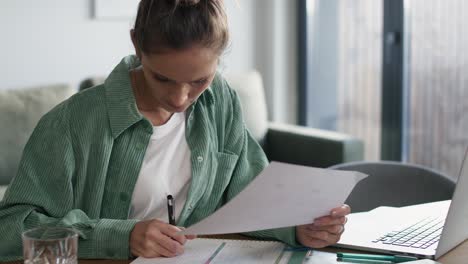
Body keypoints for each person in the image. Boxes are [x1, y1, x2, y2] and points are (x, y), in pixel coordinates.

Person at [0, 0, 350, 260]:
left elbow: (249, 197)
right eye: (163, 78)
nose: (181, 99)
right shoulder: (71, 124)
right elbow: (10, 229)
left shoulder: (221, 100)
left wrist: (298, 226)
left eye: (199, 80)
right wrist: (122, 236)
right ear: (136, 44)